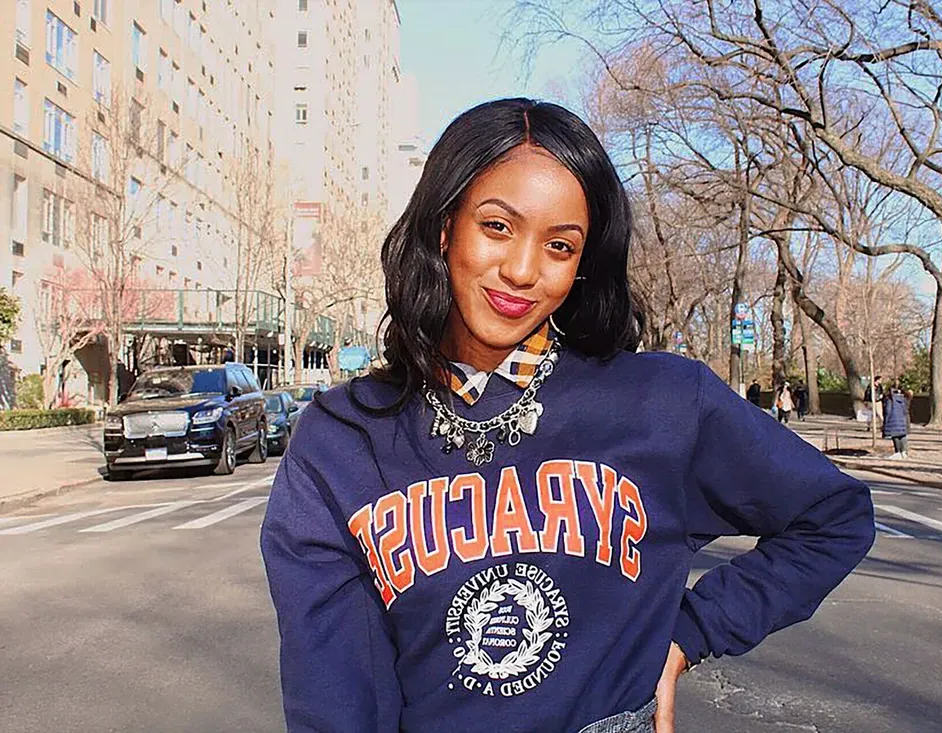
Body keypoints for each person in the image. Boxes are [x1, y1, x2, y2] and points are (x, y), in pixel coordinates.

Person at [259, 99, 874, 733]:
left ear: (582, 265)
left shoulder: (661, 402)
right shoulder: (342, 440)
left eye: (559, 245)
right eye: (497, 226)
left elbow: (832, 517)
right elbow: (334, 690)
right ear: (445, 228)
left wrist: (689, 634)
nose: (523, 271)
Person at [882, 381, 911, 459]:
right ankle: (904, 452)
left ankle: (898, 452)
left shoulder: (890, 399)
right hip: (902, 419)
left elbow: (888, 411)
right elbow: (906, 409)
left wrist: (886, 421)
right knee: (902, 435)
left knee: (895, 436)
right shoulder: (904, 398)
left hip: (893, 419)